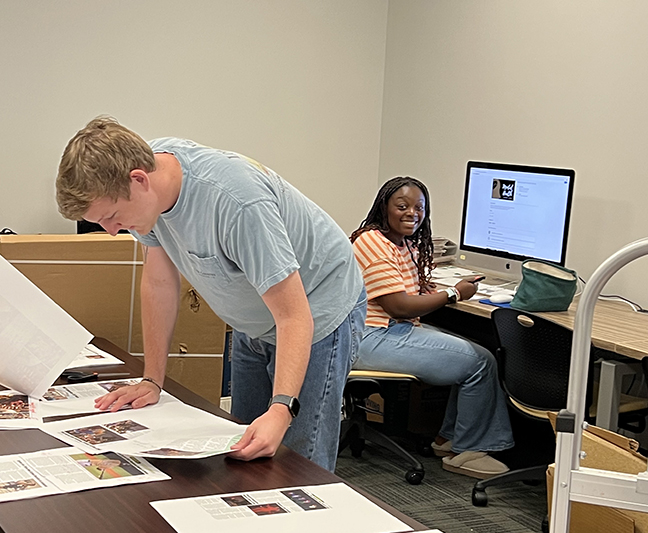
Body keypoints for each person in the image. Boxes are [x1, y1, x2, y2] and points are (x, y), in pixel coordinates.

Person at [56, 117, 366, 471]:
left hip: (317, 309)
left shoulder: (236, 202)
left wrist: (282, 408)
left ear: (139, 180)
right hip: (256, 318)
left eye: (111, 217)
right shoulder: (146, 190)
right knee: (244, 446)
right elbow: (159, 284)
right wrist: (152, 380)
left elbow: (294, 315)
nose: (111, 231)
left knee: (298, 462)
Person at [350, 176, 514, 478]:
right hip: (370, 337)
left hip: (392, 330)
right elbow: (398, 306)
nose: (412, 213)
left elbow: (403, 291)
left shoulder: (402, 243)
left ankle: (448, 439)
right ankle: (468, 451)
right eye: (402, 206)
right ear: (384, 207)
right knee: (480, 362)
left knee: (475, 352)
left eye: (419, 207)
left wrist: (429, 289)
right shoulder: (372, 242)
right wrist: (453, 293)